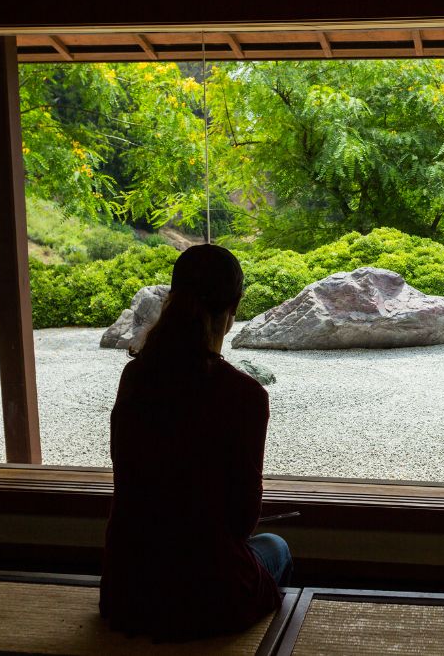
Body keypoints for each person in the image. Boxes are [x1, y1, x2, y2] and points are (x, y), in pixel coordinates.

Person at [100, 244, 291, 641]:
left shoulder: (135, 378)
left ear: (171, 299)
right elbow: (242, 521)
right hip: (208, 596)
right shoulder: (244, 394)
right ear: (233, 309)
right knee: (275, 546)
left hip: (127, 592)